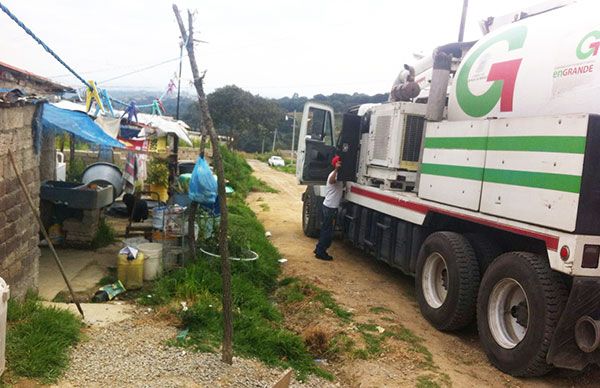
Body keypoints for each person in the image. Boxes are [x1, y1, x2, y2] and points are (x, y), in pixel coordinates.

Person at [314, 155, 343, 261]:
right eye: (338, 162)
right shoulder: (333, 174)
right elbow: (331, 181)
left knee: (326, 229)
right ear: (335, 164)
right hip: (329, 207)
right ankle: (321, 252)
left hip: (330, 206)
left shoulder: (339, 175)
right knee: (327, 231)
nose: (340, 164)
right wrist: (336, 169)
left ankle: (318, 249)